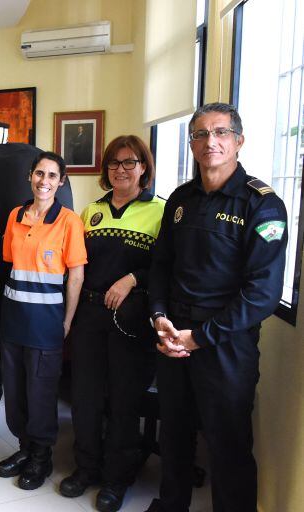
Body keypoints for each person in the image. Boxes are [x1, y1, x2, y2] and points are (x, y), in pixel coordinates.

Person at [146, 103, 288, 512]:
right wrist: (159, 317)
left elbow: (261, 294)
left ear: (238, 141)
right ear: (191, 144)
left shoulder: (262, 205)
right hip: (173, 338)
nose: (211, 142)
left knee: (228, 447)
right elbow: (161, 265)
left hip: (225, 346)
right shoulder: (180, 198)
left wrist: (200, 338)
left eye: (221, 132)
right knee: (173, 436)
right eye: (201, 134)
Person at [0, 151, 86, 490]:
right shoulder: (16, 215)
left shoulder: (69, 222)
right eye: (39, 174)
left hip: (46, 323)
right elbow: (7, 256)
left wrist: (67, 321)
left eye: (51, 176)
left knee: (40, 391)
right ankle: (24, 449)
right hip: (12, 319)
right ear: (30, 176)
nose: (44, 181)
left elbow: (75, 275)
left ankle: (41, 457)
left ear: (61, 182)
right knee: (15, 391)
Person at [59, 135, 164, 512]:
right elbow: (75, 266)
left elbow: (168, 268)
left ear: (144, 168)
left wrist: (133, 278)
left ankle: (116, 479)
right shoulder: (91, 212)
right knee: (84, 397)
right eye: (114, 163)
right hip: (89, 316)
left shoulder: (161, 211)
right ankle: (85, 468)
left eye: (129, 162)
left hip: (131, 321)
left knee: (123, 400)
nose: (121, 170)